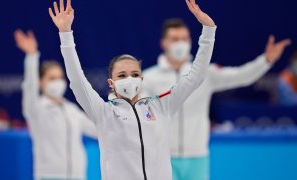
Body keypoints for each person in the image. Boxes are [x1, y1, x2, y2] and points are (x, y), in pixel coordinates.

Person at [48, 0, 216, 179]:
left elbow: (196, 76)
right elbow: (77, 80)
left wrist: (208, 31)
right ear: (111, 83)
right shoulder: (103, 113)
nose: (129, 79)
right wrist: (66, 34)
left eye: (135, 74)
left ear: (142, 79)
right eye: (122, 75)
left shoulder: (161, 106)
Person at [142, 18, 291, 180]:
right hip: (163, 157)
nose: (180, 43)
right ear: (164, 43)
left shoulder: (205, 74)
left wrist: (266, 61)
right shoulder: (149, 78)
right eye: (175, 39)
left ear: (191, 41)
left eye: (184, 39)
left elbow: (241, 76)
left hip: (197, 156)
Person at [14, 29, 97, 180]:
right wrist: (32, 56)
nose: (57, 82)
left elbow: (98, 131)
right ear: (41, 82)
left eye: (60, 78)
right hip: (49, 176)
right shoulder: (36, 109)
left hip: (77, 176)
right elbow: (29, 88)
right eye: (51, 78)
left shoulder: (71, 110)